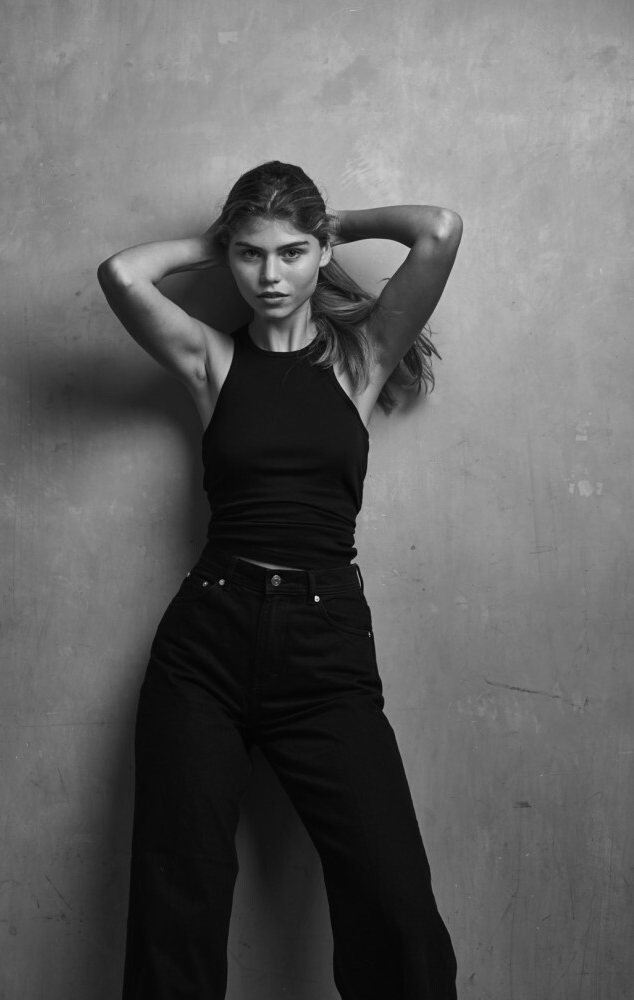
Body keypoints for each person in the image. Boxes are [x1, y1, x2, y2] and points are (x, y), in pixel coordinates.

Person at [98, 160, 463, 1000]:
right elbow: (121, 274)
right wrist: (220, 238)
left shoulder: (361, 359)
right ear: (230, 255)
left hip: (323, 646)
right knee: (175, 903)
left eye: (292, 253)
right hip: (205, 645)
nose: (270, 275)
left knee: (395, 907)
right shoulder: (210, 360)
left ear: (320, 251)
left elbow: (437, 230)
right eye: (250, 254)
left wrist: (333, 223)